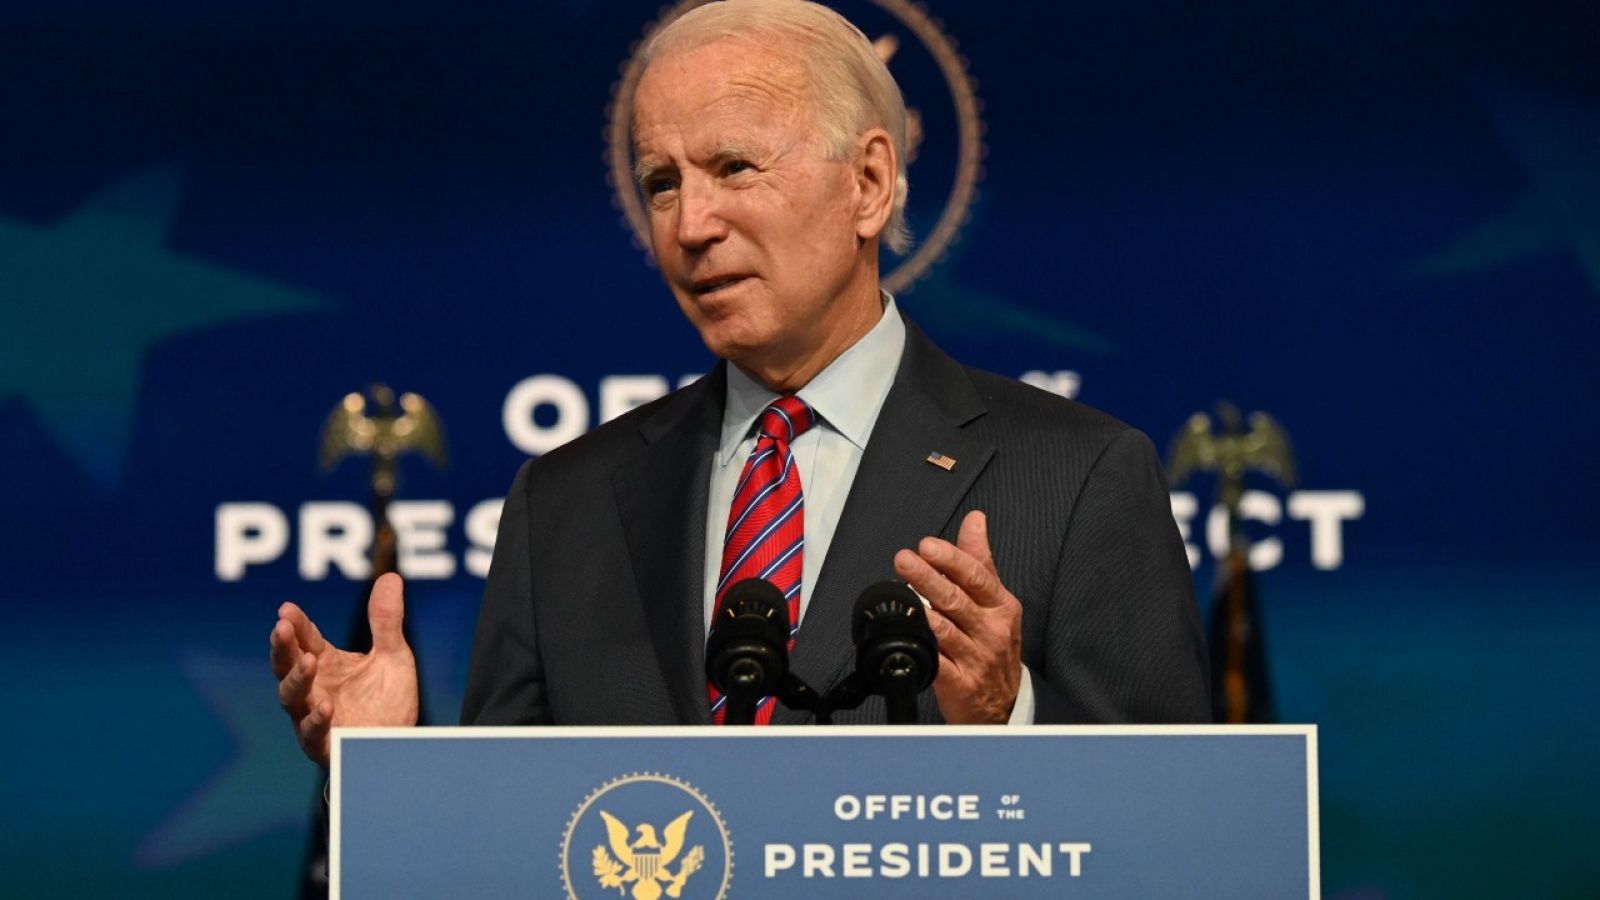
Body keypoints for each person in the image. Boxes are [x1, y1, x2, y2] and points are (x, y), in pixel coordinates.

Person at [270, 0, 1209, 767]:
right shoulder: (564, 506)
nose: (690, 224)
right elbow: (517, 849)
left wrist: (1009, 720)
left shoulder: (1079, 478)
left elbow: (1179, 838)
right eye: (662, 181)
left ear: (870, 184)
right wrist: (386, 775)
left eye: (732, 167)